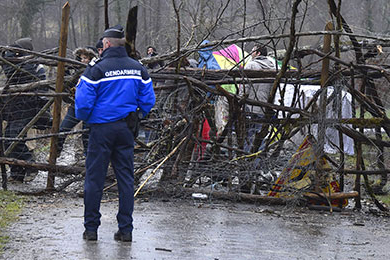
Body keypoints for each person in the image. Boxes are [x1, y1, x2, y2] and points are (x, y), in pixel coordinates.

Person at [75, 25, 155, 242]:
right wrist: (137, 115)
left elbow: (82, 104)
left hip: (101, 129)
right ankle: (126, 230)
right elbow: (148, 100)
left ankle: (91, 229)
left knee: (94, 180)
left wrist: (91, 117)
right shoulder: (137, 67)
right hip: (126, 129)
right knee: (126, 180)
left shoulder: (96, 69)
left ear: (107, 44)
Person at [1, 37, 48, 183]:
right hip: (17, 108)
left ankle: (31, 164)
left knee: (13, 137)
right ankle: (17, 173)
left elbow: (13, 72)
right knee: (9, 138)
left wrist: (7, 57)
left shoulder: (32, 65)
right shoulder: (22, 64)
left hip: (28, 107)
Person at [57, 47, 98, 158]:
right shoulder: (75, 72)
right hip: (76, 105)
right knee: (63, 129)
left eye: (85, 58)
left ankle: (87, 156)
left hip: (91, 107)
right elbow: (68, 87)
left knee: (86, 133)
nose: (82, 60)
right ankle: (56, 151)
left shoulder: (96, 71)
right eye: (81, 58)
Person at [243, 44, 275, 153]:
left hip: (251, 106)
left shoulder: (251, 65)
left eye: (253, 51)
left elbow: (245, 87)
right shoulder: (273, 67)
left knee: (248, 135)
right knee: (260, 135)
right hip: (265, 107)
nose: (251, 53)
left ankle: (246, 159)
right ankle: (257, 161)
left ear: (258, 53)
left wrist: (241, 99)